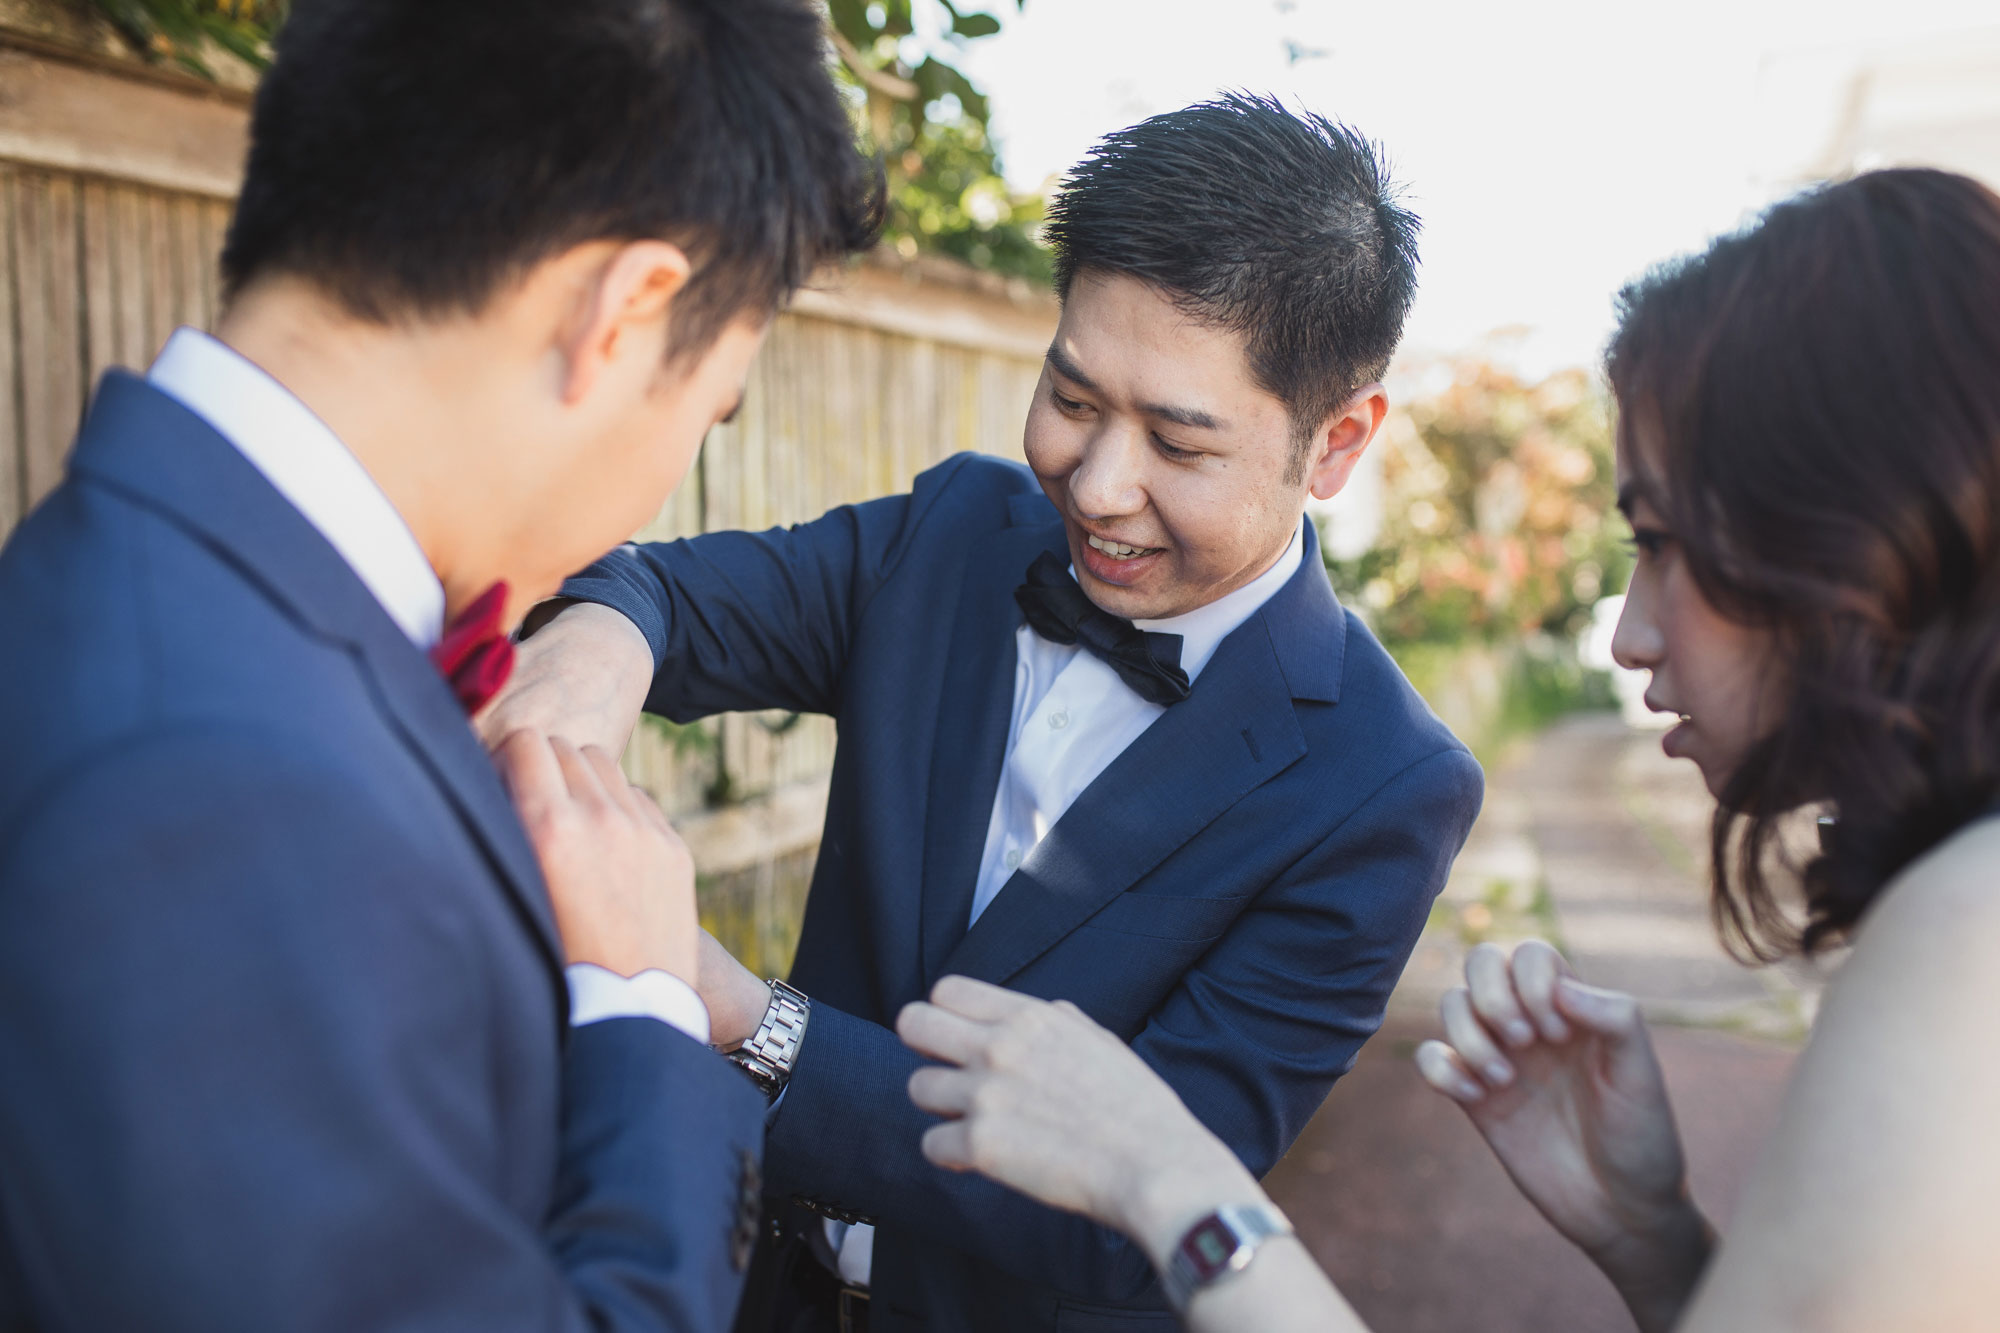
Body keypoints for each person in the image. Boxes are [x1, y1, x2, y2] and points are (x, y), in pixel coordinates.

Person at [893, 165, 2000, 1332]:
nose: (1627, 633)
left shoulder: (1967, 927)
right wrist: (1654, 1235)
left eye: (1663, 541)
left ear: (1864, 539)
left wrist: (1171, 1181)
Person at [485, 94, 1484, 1331]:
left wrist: (743, 1016)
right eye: (1072, 399)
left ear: (1334, 444)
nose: (1098, 486)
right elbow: (673, 592)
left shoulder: (1382, 784)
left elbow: (1131, 1210)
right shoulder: (958, 529)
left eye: (1178, 444)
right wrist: (600, 640)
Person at [0, 1, 879, 1328]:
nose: (669, 475)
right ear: (626, 311)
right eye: (713, 412)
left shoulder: (168, 590)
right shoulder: (212, 777)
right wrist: (639, 1007)